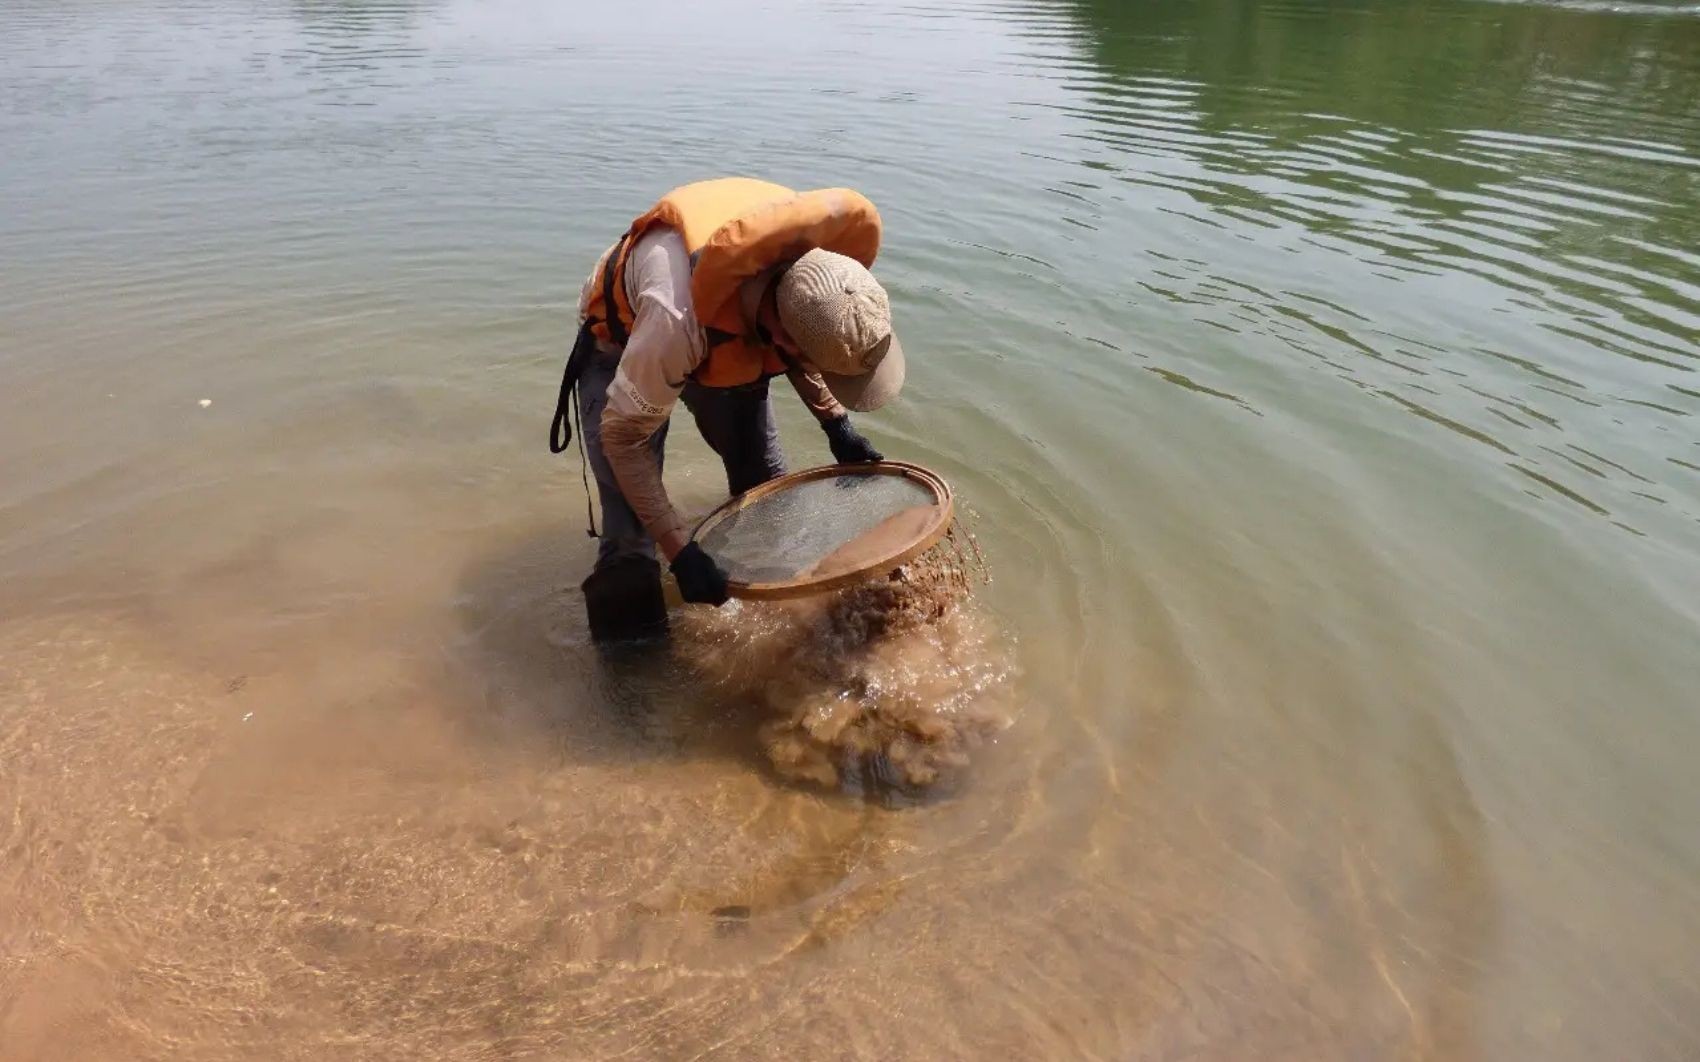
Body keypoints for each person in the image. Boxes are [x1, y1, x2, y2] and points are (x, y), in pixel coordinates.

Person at [550, 178, 907, 640]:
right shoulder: (675, 324)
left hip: (731, 320)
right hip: (621, 341)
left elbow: (808, 333)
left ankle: (777, 624)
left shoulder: (819, 274)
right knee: (631, 532)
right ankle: (630, 677)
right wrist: (680, 553)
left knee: (766, 479)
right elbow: (623, 439)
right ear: (779, 337)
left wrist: (836, 423)